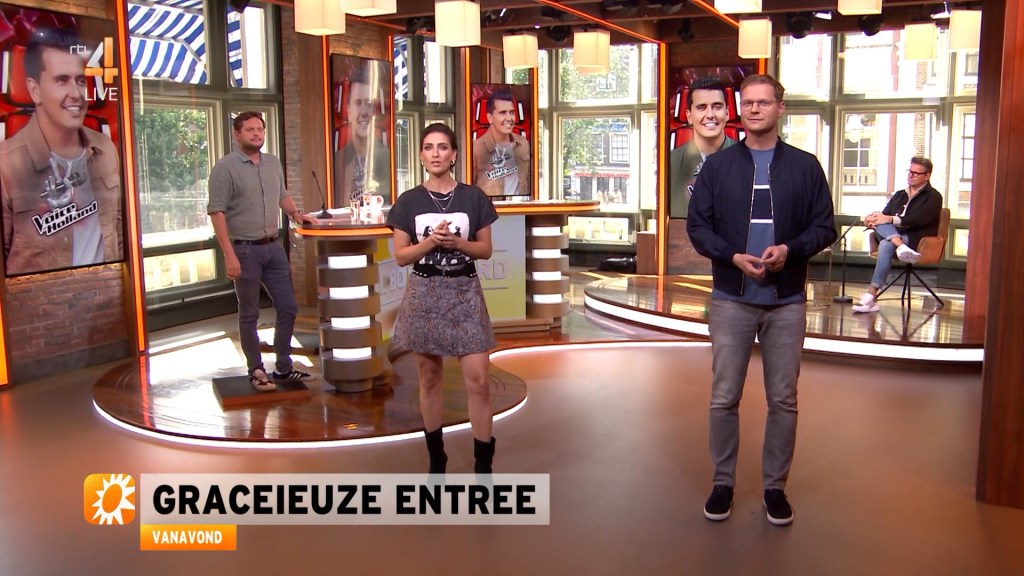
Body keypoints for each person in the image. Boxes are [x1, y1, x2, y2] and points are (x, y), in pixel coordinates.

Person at [687, 74, 837, 526]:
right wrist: (731, 256)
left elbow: (824, 226)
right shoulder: (717, 167)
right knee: (723, 397)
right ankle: (723, 483)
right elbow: (698, 227)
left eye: (763, 102)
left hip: (786, 300)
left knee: (783, 400)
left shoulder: (806, 167)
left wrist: (790, 250)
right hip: (730, 299)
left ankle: (775, 488)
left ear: (779, 108)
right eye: (748, 103)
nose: (754, 109)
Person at [387, 123, 499, 473]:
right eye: (428, 147)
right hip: (425, 294)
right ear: (421, 155)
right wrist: (431, 242)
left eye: (442, 147)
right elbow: (401, 256)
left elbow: (485, 250)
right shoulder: (408, 201)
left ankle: (483, 466)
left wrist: (458, 243)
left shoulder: (474, 197)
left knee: (479, 381)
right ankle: (437, 458)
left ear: (454, 155)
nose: (435, 153)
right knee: (429, 379)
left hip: (465, 292)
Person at [208, 111, 316, 392]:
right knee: (250, 313)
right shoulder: (225, 168)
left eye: (260, 129)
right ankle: (256, 369)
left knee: (288, 307)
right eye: (250, 130)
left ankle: (283, 367)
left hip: (273, 248)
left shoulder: (272, 163)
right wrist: (228, 254)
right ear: (237, 134)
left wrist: (296, 214)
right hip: (244, 251)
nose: (256, 134)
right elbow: (216, 212)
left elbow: (282, 195)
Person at [1, 27, 122, 276]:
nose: (76, 94)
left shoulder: (106, 149)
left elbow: (117, 232)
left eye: (80, 81)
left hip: (103, 295)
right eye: (61, 80)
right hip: (40, 300)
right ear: (35, 90)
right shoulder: (6, 163)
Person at [852, 157, 943, 313]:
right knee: (880, 222)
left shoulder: (934, 197)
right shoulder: (900, 194)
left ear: (927, 175)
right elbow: (884, 215)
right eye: (910, 171)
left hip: (916, 239)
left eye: (916, 173)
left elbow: (918, 220)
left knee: (886, 244)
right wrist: (871, 219)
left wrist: (890, 219)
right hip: (896, 236)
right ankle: (900, 247)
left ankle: (871, 296)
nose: (911, 175)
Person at [669, 77, 737, 218]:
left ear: (727, 113)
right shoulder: (670, 164)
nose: (710, 115)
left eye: (717, 107)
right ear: (689, 116)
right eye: (701, 107)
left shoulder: (749, 160)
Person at [334, 67, 391, 209]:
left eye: (368, 104)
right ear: (348, 111)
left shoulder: (386, 156)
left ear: (374, 111)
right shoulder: (339, 160)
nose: (364, 112)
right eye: (358, 103)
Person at [472, 88, 530, 197]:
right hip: (489, 207)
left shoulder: (523, 144)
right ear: (490, 118)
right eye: (503, 113)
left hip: (519, 207)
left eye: (511, 112)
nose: (509, 118)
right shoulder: (476, 149)